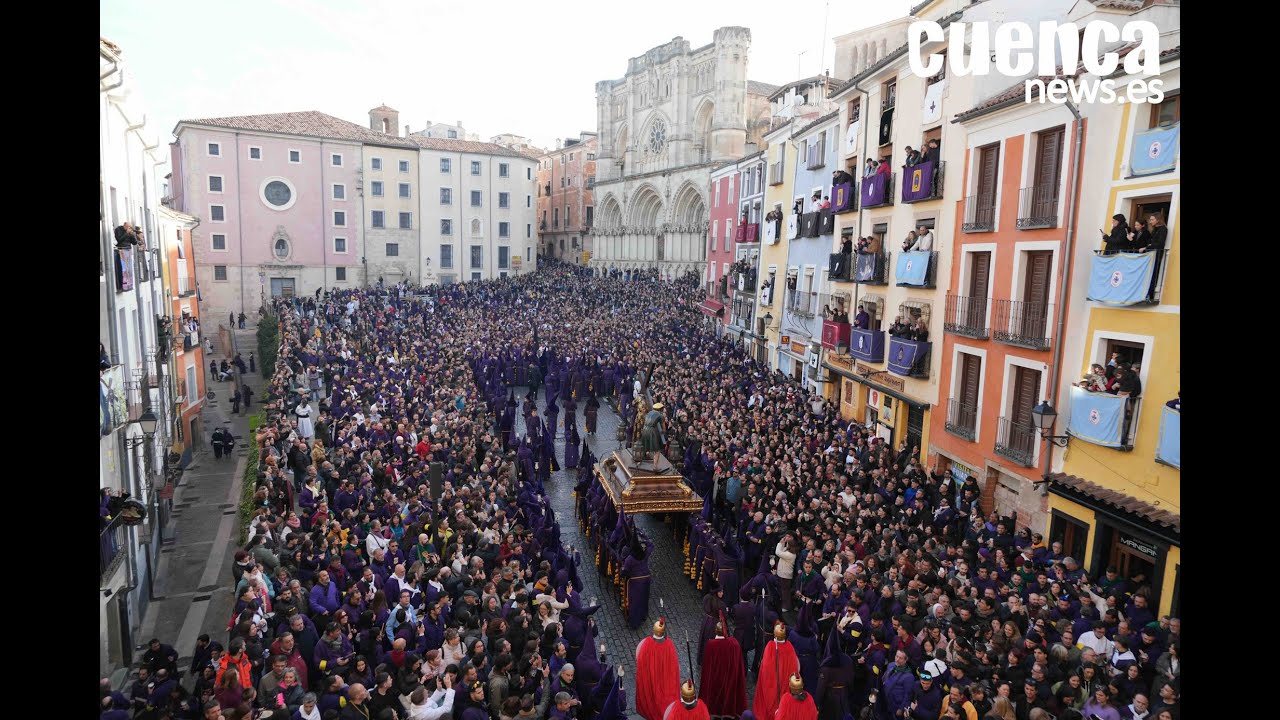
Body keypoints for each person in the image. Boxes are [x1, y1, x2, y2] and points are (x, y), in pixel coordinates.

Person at [753, 622, 800, 720]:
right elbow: (795, 668)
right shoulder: (789, 647)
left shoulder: (770, 646)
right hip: (785, 686)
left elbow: (764, 669)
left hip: (772, 685)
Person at [636, 618, 681, 720]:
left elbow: (641, 666)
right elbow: (675, 667)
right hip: (665, 681)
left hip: (652, 681)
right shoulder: (669, 644)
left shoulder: (646, 644)